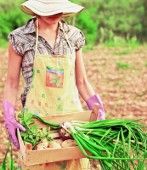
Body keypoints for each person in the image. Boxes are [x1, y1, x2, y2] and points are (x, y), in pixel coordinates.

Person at [2, 0, 106, 169]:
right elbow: (12, 83)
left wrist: (97, 108)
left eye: (59, 8)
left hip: (72, 127)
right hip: (37, 124)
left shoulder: (73, 36)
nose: (55, 13)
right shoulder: (19, 38)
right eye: (49, 9)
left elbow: (81, 81)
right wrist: (9, 116)